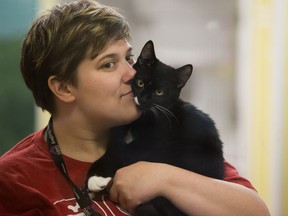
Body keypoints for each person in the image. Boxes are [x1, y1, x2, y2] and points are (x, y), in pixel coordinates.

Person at [0, 0, 270, 215]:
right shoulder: (15, 180)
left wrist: (164, 178)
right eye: (108, 64)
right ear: (63, 88)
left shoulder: (173, 134)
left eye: (129, 58)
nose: (132, 73)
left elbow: (256, 211)